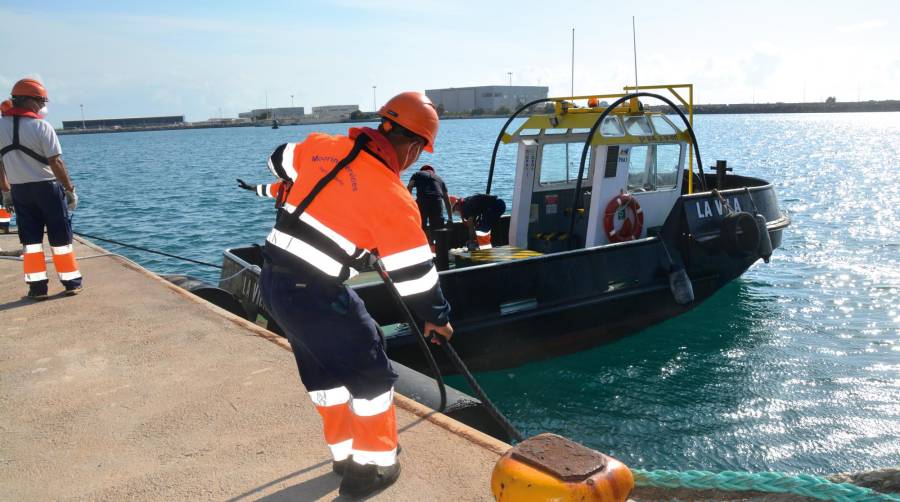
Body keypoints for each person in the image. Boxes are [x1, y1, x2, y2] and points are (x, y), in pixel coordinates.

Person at [258, 91, 453, 497]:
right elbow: (415, 277)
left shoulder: (322, 147)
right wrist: (437, 316)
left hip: (274, 282)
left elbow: (278, 159)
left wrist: (302, 186)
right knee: (373, 377)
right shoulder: (392, 197)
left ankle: (344, 454)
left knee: (322, 372)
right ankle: (374, 467)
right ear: (415, 147)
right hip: (315, 292)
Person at [0, 78, 81, 299]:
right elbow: (56, 162)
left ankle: (37, 289)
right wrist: (69, 189)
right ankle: (71, 282)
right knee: (61, 239)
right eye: (40, 101)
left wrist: (6, 191)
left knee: (31, 242)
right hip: (47, 189)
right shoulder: (41, 127)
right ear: (29, 100)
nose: (41, 106)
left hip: (19, 191)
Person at [406, 165, 453, 233]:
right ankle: (435, 242)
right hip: (437, 202)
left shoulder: (417, 174)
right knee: (437, 230)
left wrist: (410, 202)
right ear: (433, 172)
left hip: (423, 200)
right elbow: (446, 200)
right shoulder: (440, 179)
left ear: (422, 170)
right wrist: (450, 218)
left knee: (421, 227)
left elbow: (410, 186)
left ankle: (424, 241)